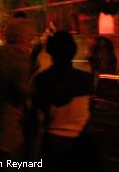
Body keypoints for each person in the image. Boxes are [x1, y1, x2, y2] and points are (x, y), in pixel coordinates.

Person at [32, 31, 101, 171]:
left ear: (50, 51)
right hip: (82, 141)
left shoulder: (41, 79)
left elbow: (39, 108)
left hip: (53, 141)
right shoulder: (84, 79)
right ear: (73, 51)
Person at [0, 18, 36, 161]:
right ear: (22, 36)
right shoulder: (19, 58)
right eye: (30, 36)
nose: (32, 40)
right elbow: (25, 88)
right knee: (7, 157)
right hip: (9, 116)